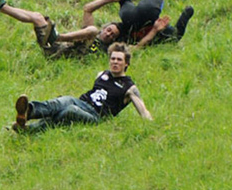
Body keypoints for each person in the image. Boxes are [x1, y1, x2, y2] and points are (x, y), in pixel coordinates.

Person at [11, 42, 152, 133]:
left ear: (126, 64)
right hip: (82, 102)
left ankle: (30, 130)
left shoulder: (129, 87)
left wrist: (151, 129)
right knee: (62, 101)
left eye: (119, 60)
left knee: (69, 111)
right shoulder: (102, 74)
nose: (115, 62)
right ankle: (28, 111)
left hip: (96, 116)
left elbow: (143, 111)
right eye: (112, 59)